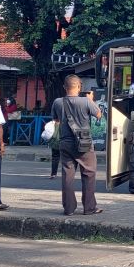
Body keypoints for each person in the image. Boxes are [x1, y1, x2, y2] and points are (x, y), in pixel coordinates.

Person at [53, 74, 103, 216]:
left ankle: (68, 209)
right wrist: (91, 100)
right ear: (79, 87)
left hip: (65, 142)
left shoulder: (57, 102)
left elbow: (56, 119)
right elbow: (99, 115)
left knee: (67, 175)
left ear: (64, 87)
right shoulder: (86, 101)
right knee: (88, 174)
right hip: (84, 143)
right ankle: (89, 208)